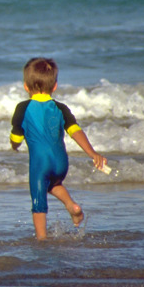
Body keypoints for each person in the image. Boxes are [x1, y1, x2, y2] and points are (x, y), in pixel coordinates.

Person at [10, 57, 107, 240]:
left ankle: (41, 239)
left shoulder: (23, 108)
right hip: (61, 163)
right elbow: (75, 131)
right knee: (54, 184)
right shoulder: (61, 108)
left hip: (40, 163)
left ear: (25, 86)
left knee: (38, 201)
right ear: (54, 86)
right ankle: (72, 206)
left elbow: (16, 136)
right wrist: (92, 153)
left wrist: (14, 145)